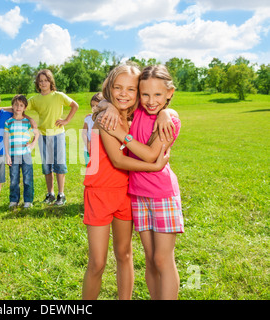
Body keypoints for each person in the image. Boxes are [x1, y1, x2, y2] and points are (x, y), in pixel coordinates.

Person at [82, 63, 171, 300]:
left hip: (127, 193)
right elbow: (118, 160)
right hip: (99, 192)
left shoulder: (137, 115)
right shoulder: (104, 116)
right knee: (98, 262)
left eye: (131, 89)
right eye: (117, 88)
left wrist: (165, 112)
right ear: (109, 87)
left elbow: (164, 104)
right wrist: (153, 166)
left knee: (125, 254)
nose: (124, 93)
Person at [101, 65, 184, 300]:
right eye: (145, 94)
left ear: (170, 93)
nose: (150, 101)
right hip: (138, 194)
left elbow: (150, 155)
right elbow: (104, 101)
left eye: (158, 95)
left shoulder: (169, 121)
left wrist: (121, 135)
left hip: (162, 194)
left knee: (162, 259)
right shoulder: (137, 111)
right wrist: (106, 104)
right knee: (149, 258)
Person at [28, 69, 79, 206]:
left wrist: (66, 120)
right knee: (47, 166)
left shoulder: (58, 96)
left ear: (51, 82)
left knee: (59, 165)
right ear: (37, 84)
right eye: (40, 81)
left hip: (58, 135)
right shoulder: (35, 99)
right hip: (43, 136)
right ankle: (50, 194)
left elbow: (75, 105)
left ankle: (61, 194)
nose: (43, 83)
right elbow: (18, 107)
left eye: (46, 80)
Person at [4, 94, 40, 209]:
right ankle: (14, 200)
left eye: (21, 105)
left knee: (27, 179)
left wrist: (33, 144)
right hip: (13, 155)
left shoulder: (27, 122)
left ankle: (28, 201)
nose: (18, 107)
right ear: (12, 106)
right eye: (16, 105)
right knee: (14, 179)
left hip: (25, 154)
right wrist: (7, 155)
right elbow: (6, 139)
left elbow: (37, 133)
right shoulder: (8, 122)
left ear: (24, 108)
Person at [82, 93, 103, 165]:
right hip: (88, 150)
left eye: (97, 106)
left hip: (100, 151)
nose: (94, 108)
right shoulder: (88, 118)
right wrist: (88, 144)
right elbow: (84, 133)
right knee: (90, 171)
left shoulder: (104, 119)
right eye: (92, 105)